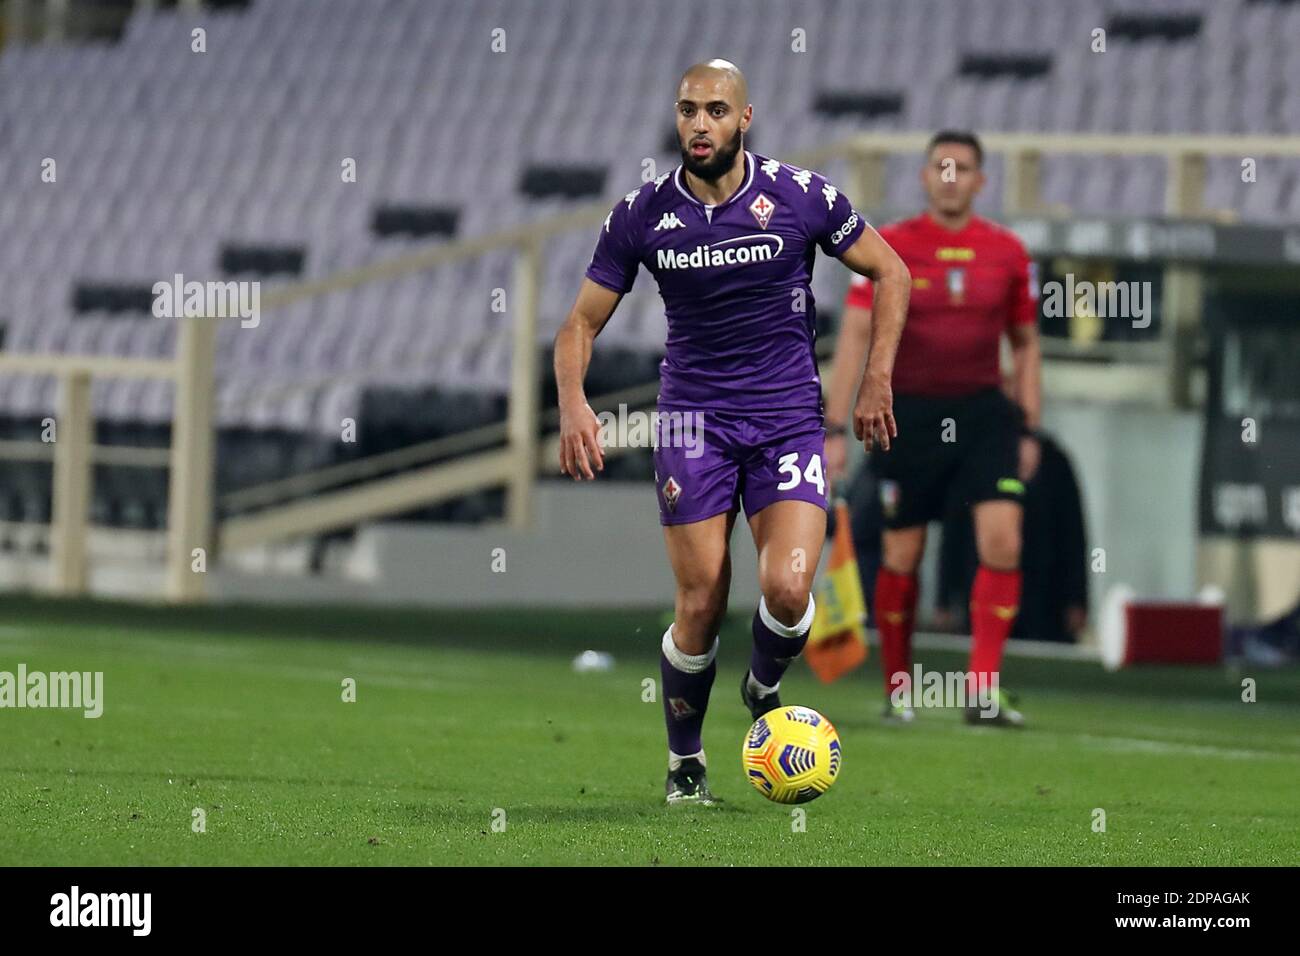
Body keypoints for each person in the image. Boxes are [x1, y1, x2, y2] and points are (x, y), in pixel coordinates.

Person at [553, 60, 909, 803]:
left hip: (785, 420)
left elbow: (893, 271)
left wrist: (876, 377)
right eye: (688, 110)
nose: (699, 124)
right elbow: (580, 324)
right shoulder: (642, 214)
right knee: (701, 601)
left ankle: (761, 683)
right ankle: (686, 765)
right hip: (692, 421)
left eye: (716, 110)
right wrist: (573, 401)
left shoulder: (799, 196)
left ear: (745, 119)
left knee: (786, 587)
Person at [824, 130, 1040, 726]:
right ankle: (900, 691)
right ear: (924, 176)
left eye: (963, 167)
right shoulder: (888, 244)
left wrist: (1029, 427)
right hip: (907, 414)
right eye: (940, 166)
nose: (951, 176)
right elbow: (855, 336)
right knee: (902, 552)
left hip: (983, 414)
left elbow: (1025, 346)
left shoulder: (1009, 253)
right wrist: (834, 428)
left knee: (1004, 541)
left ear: (980, 181)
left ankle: (982, 692)